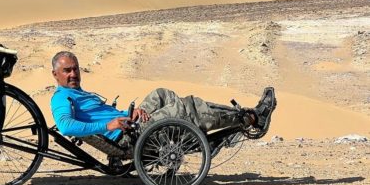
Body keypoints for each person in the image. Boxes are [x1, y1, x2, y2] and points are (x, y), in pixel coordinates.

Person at [50, 51, 276, 145]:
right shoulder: (61, 98)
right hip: (126, 135)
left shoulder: (78, 93)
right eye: (67, 71)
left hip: (130, 122)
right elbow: (66, 126)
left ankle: (182, 132)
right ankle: (252, 118)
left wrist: (133, 113)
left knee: (161, 94)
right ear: (55, 75)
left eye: (75, 69)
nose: (73, 74)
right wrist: (109, 124)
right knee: (187, 107)